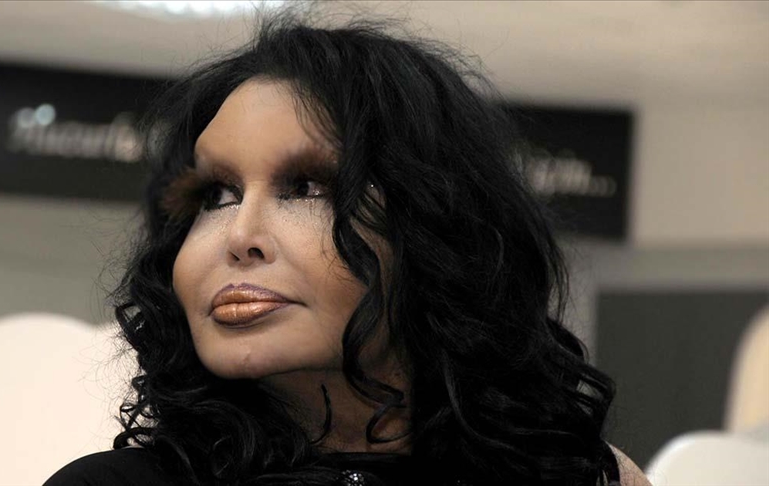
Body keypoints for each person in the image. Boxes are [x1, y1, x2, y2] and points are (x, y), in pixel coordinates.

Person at [45, 12, 651, 486]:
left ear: (434, 230)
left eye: (305, 188)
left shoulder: (581, 475)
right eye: (217, 195)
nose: (239, 235)